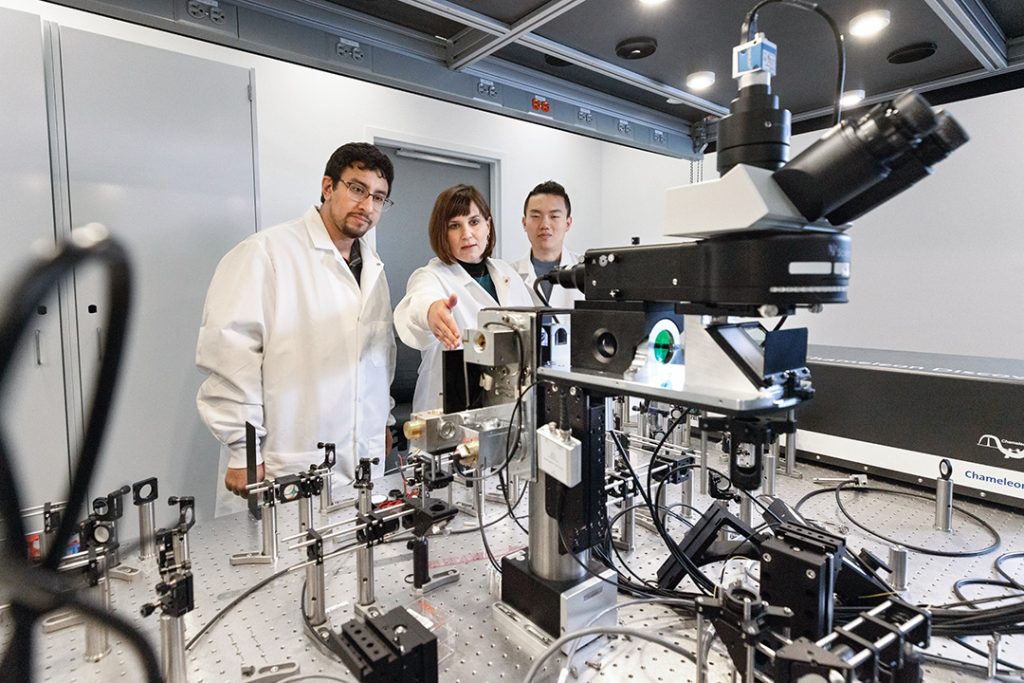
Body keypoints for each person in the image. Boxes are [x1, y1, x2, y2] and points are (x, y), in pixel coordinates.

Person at [196, 142, 396, 508]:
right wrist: (243, 450)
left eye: (379, 198)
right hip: (287, 459)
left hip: (361, 461)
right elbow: (230, 356)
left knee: (359, 559)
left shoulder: (373, 268)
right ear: (327, 187)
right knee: (281, 558)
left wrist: (380, 421)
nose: (367, 206)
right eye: (357, 189)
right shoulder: (266, 253)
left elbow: (379, 357)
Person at [394, 184, 533, 414]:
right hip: (449, 407)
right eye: (455, 226)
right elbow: (419, 302)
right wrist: (431, 312)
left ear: (488, 225)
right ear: (442, 233)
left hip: (509, 406)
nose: (467, 234)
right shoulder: (431, 276)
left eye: (474, 222)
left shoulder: (507, 273)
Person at [513, 180, 583, 308]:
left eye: (554, 216)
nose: (545, 225)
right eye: (536, 216)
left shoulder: (586, 271)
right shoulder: (509, 275)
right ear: (524, 223)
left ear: (568, 223)